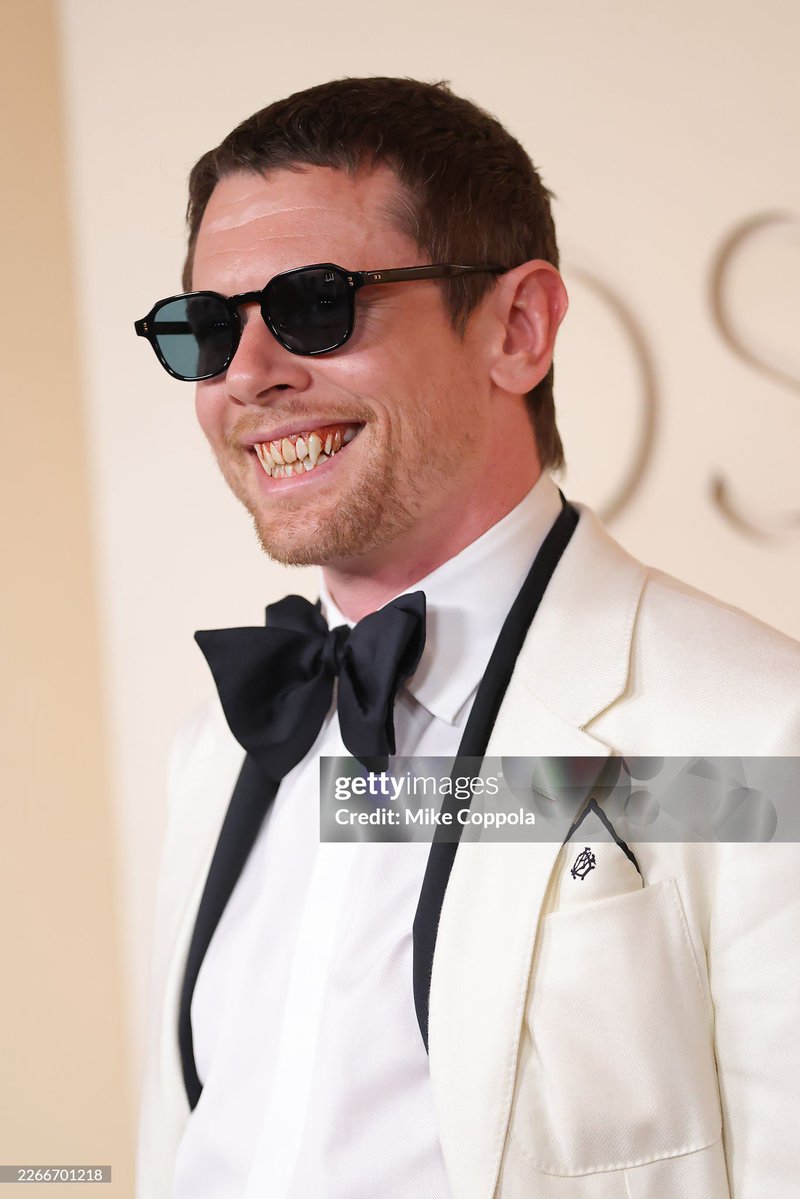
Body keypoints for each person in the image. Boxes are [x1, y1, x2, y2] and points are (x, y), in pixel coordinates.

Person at [135, 77, 800, 1199]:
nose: (246, 376)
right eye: (207, 327)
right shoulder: (214, 748)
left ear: (515, 327)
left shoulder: (753, 726)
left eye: (314, 304)